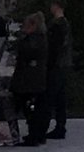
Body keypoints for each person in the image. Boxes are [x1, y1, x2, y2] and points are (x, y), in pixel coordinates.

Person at [10, 12, 49, 147]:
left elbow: (25, 53)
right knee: (32, 108)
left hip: (29, 81)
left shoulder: (34, 40)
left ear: (33, 26)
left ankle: (33, 136)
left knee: (29, 107)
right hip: (32, 79)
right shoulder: (39, 38)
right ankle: (37, 134)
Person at [44, 0, 71, 142]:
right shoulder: (65, 24)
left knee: (50, 97)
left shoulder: (57, 25)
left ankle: (43, 127)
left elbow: (55, 47)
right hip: (63, 65)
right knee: (60, 98)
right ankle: (60, 126)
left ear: (56, 6)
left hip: (56, 66)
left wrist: (49, 63)